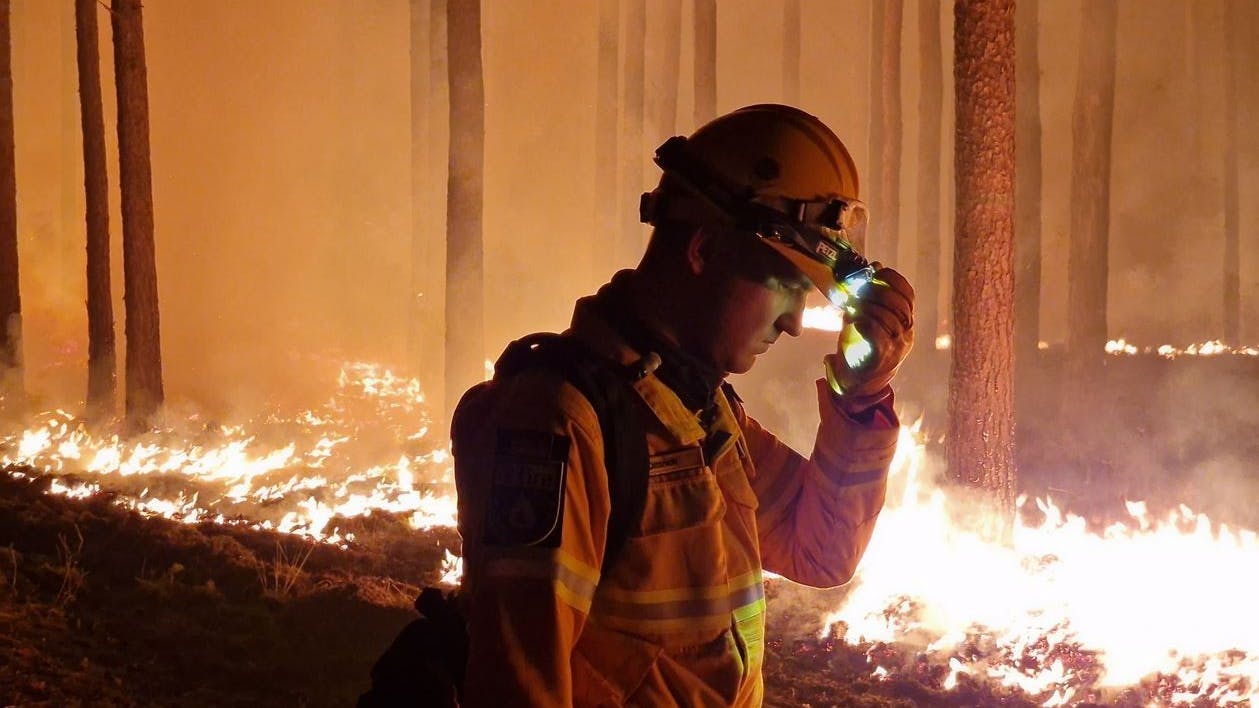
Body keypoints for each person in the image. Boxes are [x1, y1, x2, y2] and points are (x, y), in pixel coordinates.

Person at [450, 104, 914, 707]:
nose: (797, 324)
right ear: (705, 250)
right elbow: (519, 687)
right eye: (787, 287)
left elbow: (820, 550)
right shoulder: (563, 422)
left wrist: (862, 397)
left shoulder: (701, 412)